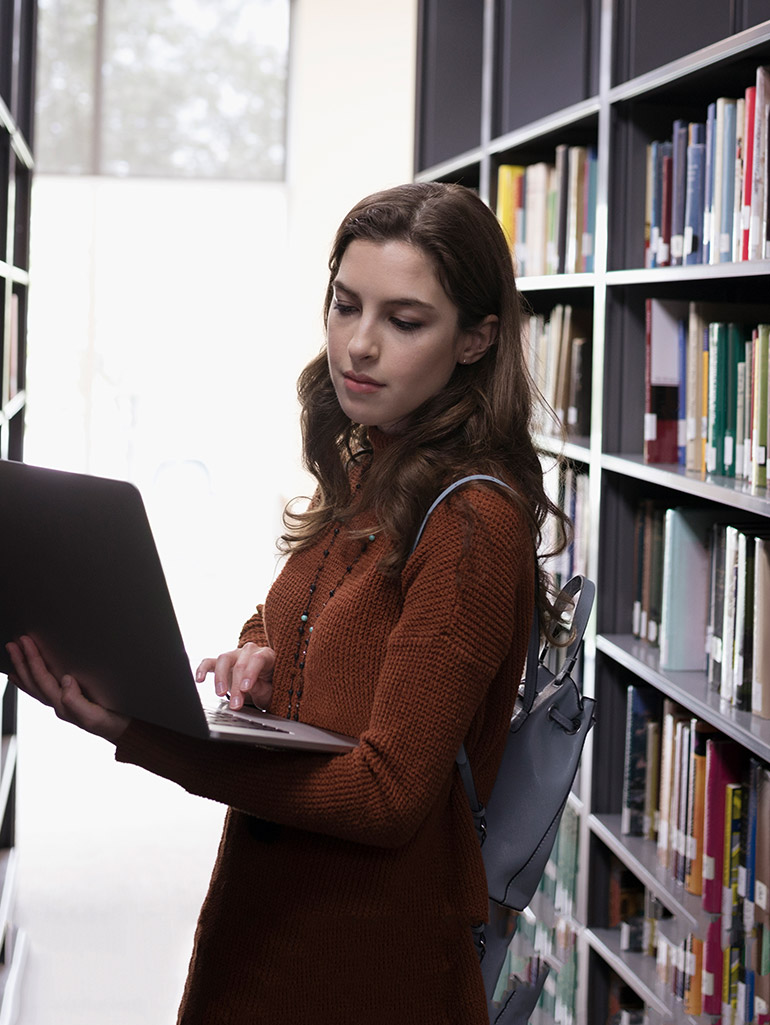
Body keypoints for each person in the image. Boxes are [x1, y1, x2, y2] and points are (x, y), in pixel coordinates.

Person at [7, 182, 570, 1025]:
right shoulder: (371, 466)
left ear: (476, 340)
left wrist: (141, 735)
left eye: (405, 321)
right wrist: (258, 656)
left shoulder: (472, 524)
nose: (360, 344)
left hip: (369, 965)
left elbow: (386, 796)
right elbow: (295, 617)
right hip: (267, 928)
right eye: (346, 305)